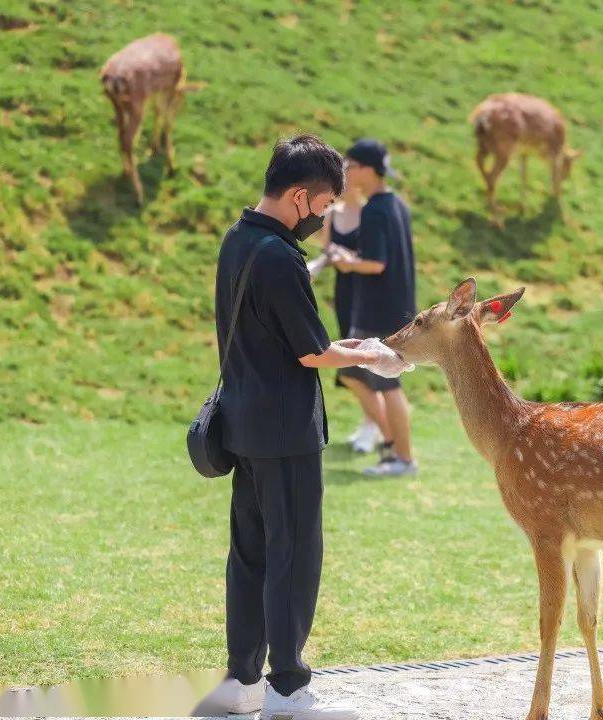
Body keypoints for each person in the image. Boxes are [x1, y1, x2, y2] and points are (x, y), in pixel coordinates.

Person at [200, 134, 404, 720]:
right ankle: (287, 689)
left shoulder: (238, 240)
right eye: (322, 206)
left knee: (250, 555)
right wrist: (372, 354)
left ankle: (240, 681)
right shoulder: (281, 258)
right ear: (298, 196)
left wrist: (356, 350)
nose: (322, 218)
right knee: (293, 555)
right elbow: (312, 353)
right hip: (286, 432)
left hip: (243, 424)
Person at [334, 139, 418, 476]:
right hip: (395, 306)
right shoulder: (397, 204)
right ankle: (390, 446)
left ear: (367, 170)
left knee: (388, 383)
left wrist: (347, 262)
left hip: (378, 310)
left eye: (350, 165)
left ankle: (403, 459)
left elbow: (376, 263)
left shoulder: (374, 210)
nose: (346, 171)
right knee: (351, 373)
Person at [318, 185, 385, 454]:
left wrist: (351, 260)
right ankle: (370, 421)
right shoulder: (333, 213)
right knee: (350, 354)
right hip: (344, 290)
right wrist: (329, 259)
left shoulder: (371, 214)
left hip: (368, 291)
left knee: (362, 359)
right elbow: (326, 249)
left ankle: (375, 425)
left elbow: (375, 256)